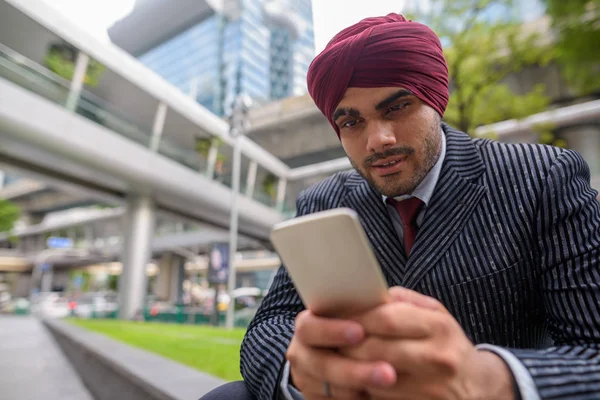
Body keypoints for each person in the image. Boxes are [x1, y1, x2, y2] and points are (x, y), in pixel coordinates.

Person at [201, 13, 600, 400]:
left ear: (435, 100)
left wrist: (488, 379)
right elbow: (269, 324)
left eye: (396, 107)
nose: (378, 140)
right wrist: (308, 375)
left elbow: (591, 348)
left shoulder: (543, 177)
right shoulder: (322, 202)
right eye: (351, 122)